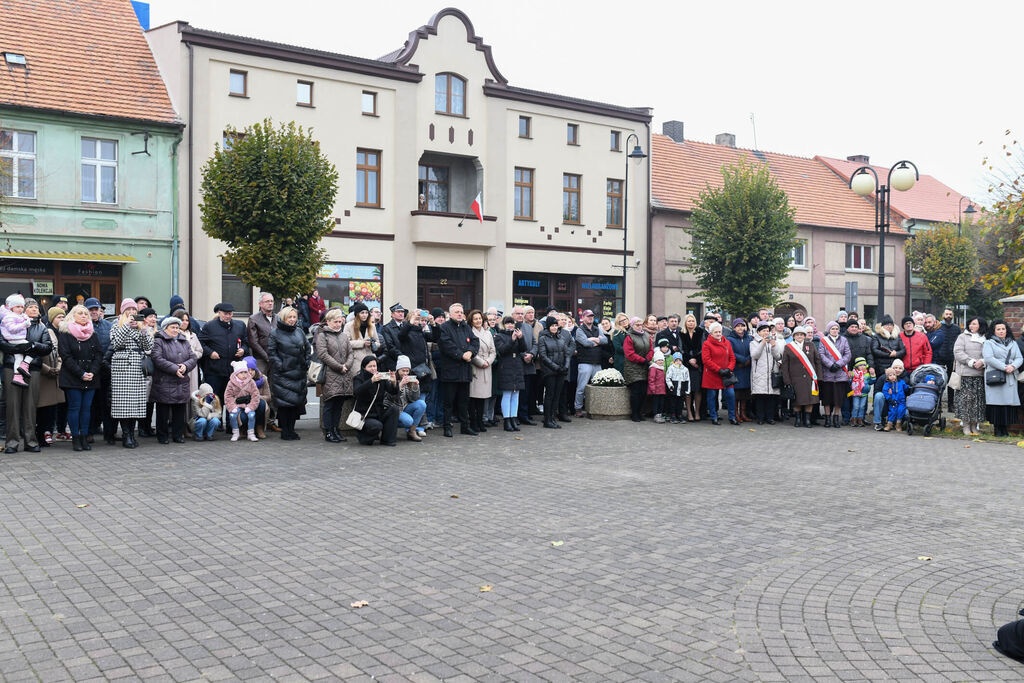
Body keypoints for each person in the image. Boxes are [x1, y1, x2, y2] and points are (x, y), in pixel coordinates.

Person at [1, 297, 51, 452]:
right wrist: (22, 348)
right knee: (13, 405)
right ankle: (12, 443)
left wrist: (33, 345)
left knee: (30, 406)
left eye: (36, 307)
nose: (35, 309)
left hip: (34, 368)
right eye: (30, 307)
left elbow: (47, 347)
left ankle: (31, 441)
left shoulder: (41, 328)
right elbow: (2, 343)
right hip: (12, 367)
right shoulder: (7, 322)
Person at [109, 298, 153, 448]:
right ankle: (126, 435)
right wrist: (127, 325)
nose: (133, 313)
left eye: (135, 310)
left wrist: (144, 331)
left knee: (136, 404)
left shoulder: (140, 326)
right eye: (130, 310)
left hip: (137, 367)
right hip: (122, 367)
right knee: (123, 404)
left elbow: (148, 347)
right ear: (123, 311)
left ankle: (132, 434)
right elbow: (116, 343)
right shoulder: (117, 324)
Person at [57, 304, 102, 452]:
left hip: (91, 376)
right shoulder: (65, 332)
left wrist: (92, 372)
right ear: (73, 316)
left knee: (86, 409)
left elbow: (99, 355)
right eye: (80, 313)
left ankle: (84, 436)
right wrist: (81, 373)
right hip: (72, 376)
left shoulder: (92, 333)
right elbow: (66, 356)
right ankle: (75, 438)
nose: (84, 315)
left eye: (85, 313)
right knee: (75, 407)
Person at [150, 316, 198, 444]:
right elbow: (157, 358)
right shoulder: (159, 341)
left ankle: (178, 435)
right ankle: (163, 436)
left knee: (179, 411)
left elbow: (193, 358)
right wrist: (174, 368)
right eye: (172, 327)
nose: (176, 330)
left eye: (177, 327)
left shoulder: (184, 341)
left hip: (181, 382)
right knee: (163, 412)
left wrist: (185, 366)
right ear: (165, 329)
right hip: (164, 381)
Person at [267, 306, 309, 441]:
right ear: (283, 318)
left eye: (294, 317)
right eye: (289, 317)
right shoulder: (275, 333)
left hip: (299, 373)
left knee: (295, 403)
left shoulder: (300, 332)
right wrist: (282, 366)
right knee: (285, 404)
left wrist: (306, 362)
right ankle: (285, 431)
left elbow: (307, 349)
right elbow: (272, 353)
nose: (292, 320)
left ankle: (292, 430)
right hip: (283, 374)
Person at [438, 303, 479, 437]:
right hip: (451, 370)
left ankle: (465, 426)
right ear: (450, 314)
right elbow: (446, 345)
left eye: (461, 312)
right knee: (449, 402)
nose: (460, 314)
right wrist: (461, 355)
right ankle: (447, 427)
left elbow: (475, 342)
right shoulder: (444, 327)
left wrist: (471, 352)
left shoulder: (466, 327)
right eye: (457, 312)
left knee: (464, 401)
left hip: (465, 370)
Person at [198, 302, 249, 402]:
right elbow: (200, 343)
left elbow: (246, 342)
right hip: (215, 370)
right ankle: (217, 418)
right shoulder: (209, 326)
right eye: (225, 314)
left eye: (230, 314)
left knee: (233, 399)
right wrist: (210, 352)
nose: (228, 316)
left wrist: (243, 349)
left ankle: (232, 417)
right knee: (215, 399)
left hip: (233, 371)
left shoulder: (240, 325)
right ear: (219, 313)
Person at [314, 308, 350, 443]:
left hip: (343, 375)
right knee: (329, 404)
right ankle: (328, 432)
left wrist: (347, 365)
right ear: (328, 321)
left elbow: (350, 353)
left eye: (340, 321)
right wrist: (339, 366)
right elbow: (323, 354)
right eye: (335, 322)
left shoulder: (343, 336)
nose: (338, 324)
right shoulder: (323, 335)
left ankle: (336, 429)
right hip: (330, 374)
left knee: (339, 405)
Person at [983, 319, 1023, 437]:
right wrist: (1005, 367)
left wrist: (1013, 366)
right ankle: (997, 429)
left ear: (1007, 330)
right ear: (994, 331)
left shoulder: (1013, 343)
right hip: (996, 376)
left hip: (1010, 376)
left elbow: (1019, 358)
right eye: (998, 329)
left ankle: (1005, 429)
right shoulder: (989, 343)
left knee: (1007, 404)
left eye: (1003, 329)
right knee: (996, 404)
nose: (1001, 331)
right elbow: (989, 358)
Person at [85, 297, 115, 444]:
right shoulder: (81, 326)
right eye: (91, 309)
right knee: (90, 404)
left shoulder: (108, 326)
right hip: (89, 371)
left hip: (105, 370)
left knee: (106, 404)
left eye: (96, 309)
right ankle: (89, 432)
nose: (94, 312)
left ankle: (109, 434)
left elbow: (112, 346)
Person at [351, 356, 400, 446]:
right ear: (364, 367)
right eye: (370, 366)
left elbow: (392, 392)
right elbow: (356, 392)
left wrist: (394, 382)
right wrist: (371, 381)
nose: (373, 368)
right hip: (365, 415)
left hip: (378, 412)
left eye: (375, 366)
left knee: (394, 409)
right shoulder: (358, 378)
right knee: (376, 425)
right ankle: (364, 437)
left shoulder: (380, 378)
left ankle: (388, 440)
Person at [247, 292, 278, 431]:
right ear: (260, 304)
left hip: (276, 359)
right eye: (267, 301)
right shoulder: (254, 319)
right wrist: (267, 356)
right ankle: (258, 422)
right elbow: (253, 342)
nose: (270, 303)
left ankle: (272, 420)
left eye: (271, 301)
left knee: (274, 388)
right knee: (259, 388)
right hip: (261, 359)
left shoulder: (278, 318)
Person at [782, 326, 822, 428]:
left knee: (810, 399)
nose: (799, 336)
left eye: (801, 334)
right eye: (797, 334)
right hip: (795, 378)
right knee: (797, 400)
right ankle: (798, 419)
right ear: (794, 336)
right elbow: (785, 365)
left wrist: (819, 376)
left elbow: (817, 361)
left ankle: (807, 420)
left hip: (810, 378)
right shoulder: (788, 347)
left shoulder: (811, 345)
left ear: (804, 336)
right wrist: (787, 380)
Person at [953, 316, 987, 436]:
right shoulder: (962, 337)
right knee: (966, 401)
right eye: (971, 324)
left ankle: (975, 425)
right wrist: (972, 362)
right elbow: (958, 352)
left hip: (980, 375)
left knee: (978, 402)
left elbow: (990, 353)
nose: (972, 326)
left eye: (975, 324)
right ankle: (966, 425)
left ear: (980, 326)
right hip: (966, 374)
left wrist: (982, 362)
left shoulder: (985, 338)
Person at [37, 307, 66, 447]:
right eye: (58, 317)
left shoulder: (55, 334)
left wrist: (58, 367)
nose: (62, 320)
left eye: (63, 317)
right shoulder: (43, 331)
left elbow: (59, 354)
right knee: (42, 408)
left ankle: (49, 431)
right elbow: (35, 356)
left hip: (55, 375)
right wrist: (47, 369)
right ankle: (41, 434)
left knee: (52, 408)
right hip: (43, 375)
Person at [493, 315, 526, 432]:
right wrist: (512, 340)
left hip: (517, 365)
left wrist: (521, 338)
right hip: (505, 366)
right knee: (507, 394)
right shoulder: (499, 336)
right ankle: (506, 420)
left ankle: (513, 418)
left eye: (512, 323)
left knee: (516, 394)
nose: (510, 325)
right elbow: (502, 350)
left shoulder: (517, 334)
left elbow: (523, 349)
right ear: (503, 324)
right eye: (507, 323)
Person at [702, 321, 737, 425]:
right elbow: (706, 360)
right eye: (716, 332)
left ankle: (732, 417)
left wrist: (729, 369)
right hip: (712, 374)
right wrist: (718, 370)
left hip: (726, 374)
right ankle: (714, 416)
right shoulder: (707, 344)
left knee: (730, 395)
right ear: (711, 333)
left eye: (720, 332)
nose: (718, 334)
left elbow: (732, 358)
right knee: (712, 396)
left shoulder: (727, 342)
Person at [817, 320, 852, 428]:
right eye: (833, 328)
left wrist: (838, 364)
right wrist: (830, 365)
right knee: (827, 398)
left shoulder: (844, 340)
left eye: (836, 328)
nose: (835, 330)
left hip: (840, 374)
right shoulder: (824, 341)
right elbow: (821, 354)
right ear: (829, 330)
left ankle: (836, 418)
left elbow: (848, 354)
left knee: (838, 398)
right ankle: (828, 419)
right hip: (827, 373)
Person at [573, 309, 608, 417]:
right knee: (581, 388)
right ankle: (578, 408)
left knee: (598, 387)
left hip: (597, 362)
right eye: (588, 316)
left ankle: (596, 408)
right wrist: (597, 340)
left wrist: (593, 339)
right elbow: (585, 342)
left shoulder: (597, 329)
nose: (590, 318)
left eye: (592, 316)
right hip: (585, 362)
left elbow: (605, 341)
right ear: (583, 318)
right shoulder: (580, 330)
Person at [536, 315, 568, 429]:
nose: (554, 328)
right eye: (552, 326)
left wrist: (565, 366)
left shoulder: (561, 338)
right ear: (548, 327)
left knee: (557, 395)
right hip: (549, 371)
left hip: (560, 371)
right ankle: (547, 419)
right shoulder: (543, 338)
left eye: (555, 325)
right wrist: (555, 367)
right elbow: (543, 356)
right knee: (549, 395)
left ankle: (553, 418)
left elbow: (566, 354)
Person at [749, 319, 783, 425]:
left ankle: (770, 417)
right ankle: (760, 418)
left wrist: (773, 346)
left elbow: (778, 356)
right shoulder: (753, 342)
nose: (766, 333)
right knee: (760, 397)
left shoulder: (773, 342)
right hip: (759, 373)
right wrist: (762, 343)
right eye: (763, 330)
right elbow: (754, 355)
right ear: (758, 332)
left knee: (771, 398)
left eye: (767, 330)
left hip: (771, 373)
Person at [468, 309, 495, 433]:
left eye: (480, 318)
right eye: (475, 319)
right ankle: (473, 422)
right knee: (474, 398)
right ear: (471, 321)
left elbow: (493, 351)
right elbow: (470, 351)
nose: (478, 321)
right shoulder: (469, 332)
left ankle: (480, 421)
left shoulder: (488, 333)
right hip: (476, 367)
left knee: (483, 398)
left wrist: (488, 362)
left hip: (487, 366)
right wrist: (480, 362)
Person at [1, 293, 34, 387]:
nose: (20, 309)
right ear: (11, 308)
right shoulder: (9, 317)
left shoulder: (20, 316)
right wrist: (24, 324)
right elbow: (12, 328)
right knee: (33, 348)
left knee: (18, 358)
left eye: (21, 307)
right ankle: (25, 365)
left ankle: (17, 376)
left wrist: (26, 320)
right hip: (15, 339)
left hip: (17, 339)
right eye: (17, 307)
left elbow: (26, 322)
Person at [390, 355, 426, 441]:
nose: (405, 373)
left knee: (421, 404)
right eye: (403, 371)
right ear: (398, 370)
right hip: (394, 409)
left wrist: (415, 387)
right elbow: (391, 398)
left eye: (407, 371)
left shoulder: (409, 379)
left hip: (405, 407)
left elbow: (414, 399)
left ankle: (412, 431)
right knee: (408, 421)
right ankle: (390, 427)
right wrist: (400, 385)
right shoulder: (392, 379)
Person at [171, 310, 203, 400]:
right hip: (179, 366)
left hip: (192, 367)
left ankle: (191, 414)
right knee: (180, 393)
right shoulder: (174, 334)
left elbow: (200, 351)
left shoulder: (193, 335)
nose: (184, 322)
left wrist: (192, 355)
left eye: (187, 320)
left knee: (192, 394)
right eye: (182, 320)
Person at [224, 360, 260, 441]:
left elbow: (255, 395)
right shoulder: (231, 383)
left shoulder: (251, 381)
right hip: (236, 404)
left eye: (245, 372)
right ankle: (236, 433)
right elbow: (227, 396)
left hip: (248, 404)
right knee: (232, 415)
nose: (244, 375)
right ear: (236, 373)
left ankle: (251, 433)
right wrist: (232, 406)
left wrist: (251, 406)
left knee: (251, 415)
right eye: (241, 373)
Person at [726, 319, 752, 422]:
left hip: (747, 368)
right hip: (737, 368)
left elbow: (753, 350)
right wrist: (743, 359)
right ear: (734, 327)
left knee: (745, 394)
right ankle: (735, 414)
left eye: (742, 326)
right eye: (738, 326)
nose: (740, 328)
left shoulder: (749, 338)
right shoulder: (730, 339)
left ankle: (743, 413)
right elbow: (731, 352)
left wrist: (748, 359)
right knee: (736, 394)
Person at [679, 314, 705, 421]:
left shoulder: (700, 332)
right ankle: (689, 412)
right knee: (688, 390)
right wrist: (689, 359)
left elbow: (703, 347)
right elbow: (680, 349)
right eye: (689, 321)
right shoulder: (681, 333)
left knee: (697, 389)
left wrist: (696, 360)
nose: (691, 323)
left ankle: (697, 411)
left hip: (697, 365)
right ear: (685, 322)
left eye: (693, 321)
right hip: (686, 365)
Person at [939, 308, 962, 410]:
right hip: (939, 358)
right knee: (939, 382)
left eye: (950, 314)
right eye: (946, 314)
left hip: (952, 358)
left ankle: (950, 405)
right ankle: (938, 405)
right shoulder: (938, 327)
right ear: (943, 315)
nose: (948, 316)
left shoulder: (956, 329)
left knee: (951, 383)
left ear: (952, 316)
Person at [379, 302, 408, 372]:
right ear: (392, 314)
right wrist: (403, 357)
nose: (401, 314)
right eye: (398, 312)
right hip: (394, 361)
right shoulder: (387, 328)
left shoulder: (407, 326)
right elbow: (390, 346)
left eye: (402, 312)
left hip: (408, 361)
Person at [879, 367, 909, 432]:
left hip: (901, 401)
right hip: (893, 401)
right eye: (890, 375)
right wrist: (889, 399)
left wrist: (909, 388)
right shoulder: (887, 384)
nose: (892, 377)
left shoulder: (901, 382)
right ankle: (889, 424)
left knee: (900, 411)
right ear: (887, 377)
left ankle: (898, 424)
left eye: (894, 375)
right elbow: (885, 392)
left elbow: (906, 388)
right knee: (892, 411)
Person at [849, 357, 875, 427]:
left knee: (862, 406)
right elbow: (850, 382)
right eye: (860, 365)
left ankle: (860, 419)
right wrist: (849, 378)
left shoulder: (867, 374)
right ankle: (854, 419)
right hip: (856, 393)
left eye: (864, 365)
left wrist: (873, 376)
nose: (862, 366)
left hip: (864, 393)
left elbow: (871, 382)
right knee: (856, 406)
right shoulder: (853, 373)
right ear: (856, 366)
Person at [665, 352, 689, 423]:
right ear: (674, 361)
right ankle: (673, 415)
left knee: (680, 403)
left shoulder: (685, 369)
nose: (678, 362)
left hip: (681, 389)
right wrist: (670, 386)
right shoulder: (671, 368)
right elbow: (668, 378)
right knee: (673, 403)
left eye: (680, 360)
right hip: (674, 389)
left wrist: (687, 390)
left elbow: (688, 380)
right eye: (676, 360)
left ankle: (679, 415)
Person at [648, 347, 667, 422]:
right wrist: (652, 388)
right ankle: (656, 415)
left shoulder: (661, 368)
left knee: (661, 403)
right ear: (655, 360)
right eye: (659, 360)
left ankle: (660, 414)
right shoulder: (653, 368)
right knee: (656, 403)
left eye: (662, 360)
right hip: (656, 390)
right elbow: (651, 379)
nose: (660, 361)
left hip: (661, 390)